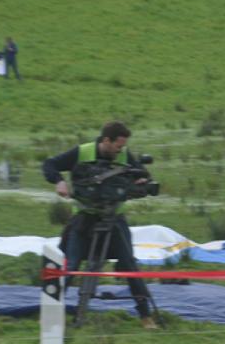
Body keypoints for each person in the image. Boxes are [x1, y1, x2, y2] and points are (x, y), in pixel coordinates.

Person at [42, 121, 158, 329]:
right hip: (85, 219)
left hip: (114, 220)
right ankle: (50, 314)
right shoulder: (82, 152)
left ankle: (145, 316)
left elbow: (142, 175)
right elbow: (49, 164)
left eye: (122, 147)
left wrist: (141, 181)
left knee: (130, 266)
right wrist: (58, 181)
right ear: (106, 140)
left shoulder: (124, 156)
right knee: (71, 265)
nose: (121, 151)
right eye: (118, 146)